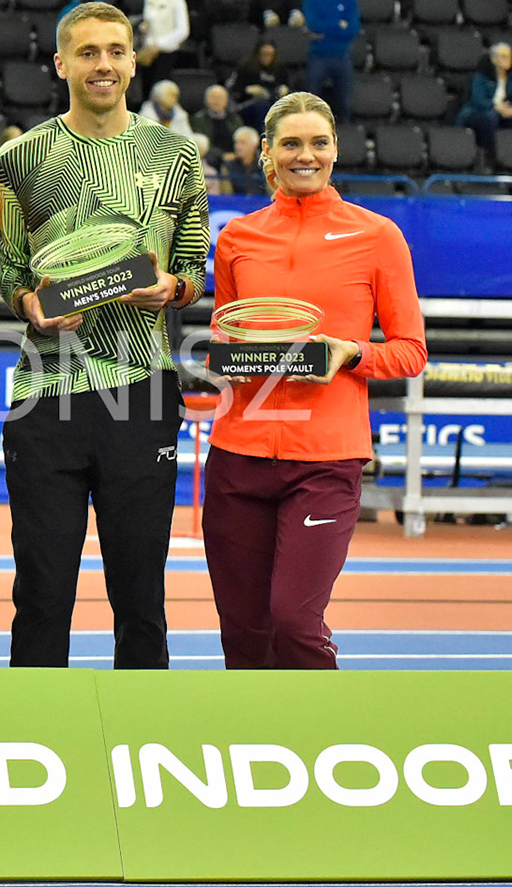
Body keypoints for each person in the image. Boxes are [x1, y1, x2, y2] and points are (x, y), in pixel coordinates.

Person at [0, 1, 208, 669]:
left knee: (140, 593)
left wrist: (171, 288)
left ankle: (139, 738)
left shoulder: (176, 154)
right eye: (87, 52)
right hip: (46, 393)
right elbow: (7, 275)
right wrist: (31, 304)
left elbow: (194, 268)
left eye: (116, 50)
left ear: (133, 60)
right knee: (42, 592)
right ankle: (35, 740)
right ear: (60, 63)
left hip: (139, 391)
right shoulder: (18, 159)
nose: (103, 64)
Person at [205, 91, 426, 670]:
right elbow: (225, 338)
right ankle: (253, 749)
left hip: (326, 460)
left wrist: (349, 354)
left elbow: (410, 351)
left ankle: (322, 741)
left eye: (319, 143)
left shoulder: (377, 235)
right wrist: (227, 357)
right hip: (238, 456)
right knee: (244, 635)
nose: (307, 155)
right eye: (292, 144)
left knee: (295, 622)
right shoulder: (236, 238)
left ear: (336, 150)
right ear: (267, 155)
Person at [457, 41, 512, 155]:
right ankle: (489, 153)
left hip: (504, 111)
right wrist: (497, 108)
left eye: (509, 56)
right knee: (490, 117)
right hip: (480, 111)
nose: (508, 59)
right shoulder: (482, 75)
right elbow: (478, 99)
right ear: (494, 59)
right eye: (503, 57)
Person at [138, 0, 189, 83]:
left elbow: (183, 30)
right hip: (148, 52)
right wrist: (143, 28)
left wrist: (159, 44)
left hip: (167, 52)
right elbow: (147, 21)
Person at [229, 39, 290, 128]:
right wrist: (248, 90)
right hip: (249, 103)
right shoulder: (246, 66)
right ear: (257, 54)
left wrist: (285, 90)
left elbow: (287, 86)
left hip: (273, 100)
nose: (267, 58)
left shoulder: (280, 68)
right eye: (264, 54)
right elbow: (235, 90)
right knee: (262, 106)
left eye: (270, 55)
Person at [191, 83, 243, 158]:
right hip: (211, 157)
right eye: (213, 98)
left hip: (235, 156)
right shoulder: (198, 119)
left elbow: (241, 137)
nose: (217, 101)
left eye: (220, 98)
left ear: (226, 101)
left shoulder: (234, 118)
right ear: (206, 100)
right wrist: (222, 155)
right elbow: (202, 144)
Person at [220, 125, 266, 194]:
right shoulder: (228, 166)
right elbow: (227, 195)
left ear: (254, 145)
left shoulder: (264, 164)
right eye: (236, 142)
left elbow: (271, 192)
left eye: (242, 143)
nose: (237, 147)